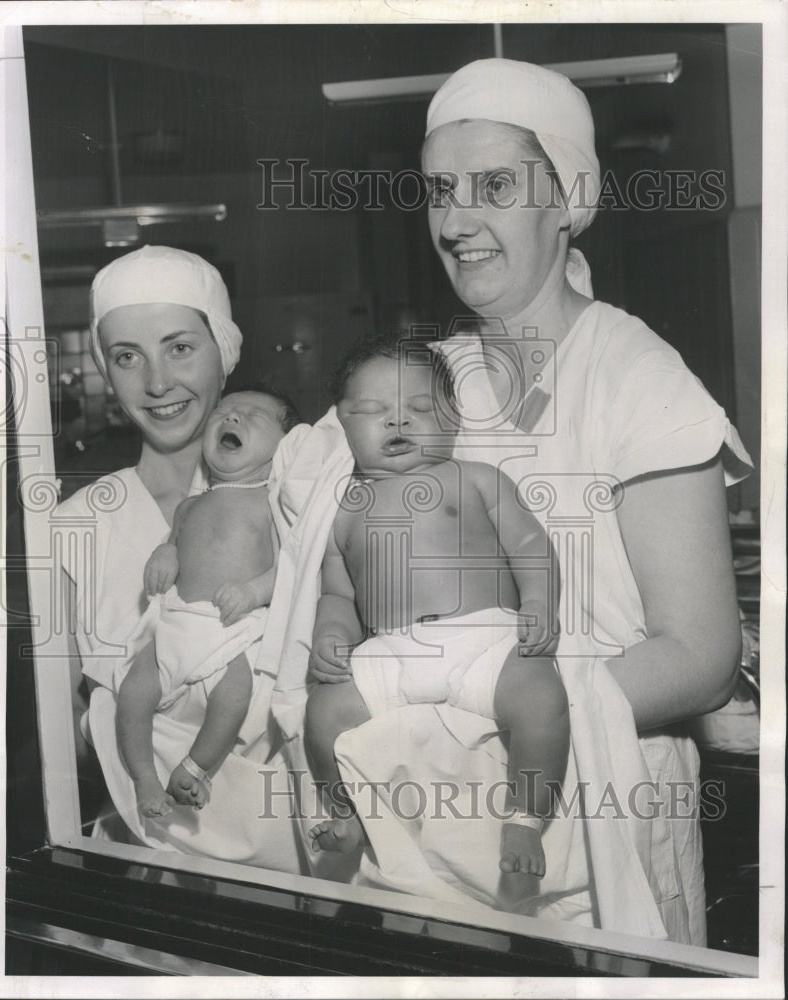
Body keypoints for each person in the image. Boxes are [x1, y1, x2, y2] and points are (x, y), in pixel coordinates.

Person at [416, 58, 753, 941]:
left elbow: (701, 653)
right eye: (439, 190)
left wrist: (507, 713)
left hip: (607, 797)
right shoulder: (433, 383)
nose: (456, 221)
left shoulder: (638, 379)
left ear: (566, 197)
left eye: (494, 186)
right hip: (443, 807)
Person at [54, 246, 299, 870]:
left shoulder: (301, 499)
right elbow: (64, 739)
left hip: (300, 855)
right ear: (106, 373)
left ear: (226, 349)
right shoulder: (76, 525)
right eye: (127, 357)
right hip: (143, 865)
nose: (157, 383)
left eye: (180, 347)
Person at [304, 334, 568, 879]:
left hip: (487, 639)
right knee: (323, 714)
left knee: (542, 699)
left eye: (420, 408)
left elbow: (529, 545)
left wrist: (540, 601)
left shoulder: (474, 478)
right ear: (343, 426)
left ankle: (526, 815)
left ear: (452, 419)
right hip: (390, 652)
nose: (398, 422)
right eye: (374, 411)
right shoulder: (345, 511)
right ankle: (344, 811)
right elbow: (339, 593)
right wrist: (332, 636)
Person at [116, 388, 296, 818]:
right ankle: (144, 778)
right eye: (224, 412)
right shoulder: (189, 505)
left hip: (230, 630)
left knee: (234, 695)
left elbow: (290, 569)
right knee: (132, 692)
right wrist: (165, 554)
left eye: (253, 415)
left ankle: (195, 768)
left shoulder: (272, 506)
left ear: (284, 446)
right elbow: (174, 544)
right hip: (177, 623)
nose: (232, 418)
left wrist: (255, 591)